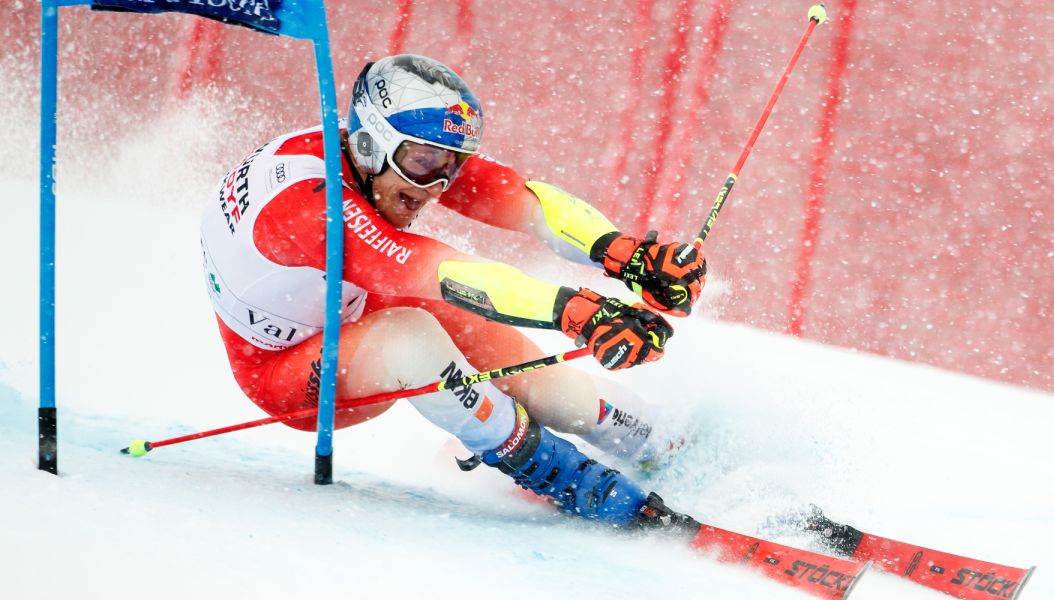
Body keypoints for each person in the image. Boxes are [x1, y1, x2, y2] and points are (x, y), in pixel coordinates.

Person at [200, 54, 707, 527]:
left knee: (523, 368)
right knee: (413, 335)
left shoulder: (391, 157)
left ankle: (659, 440)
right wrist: (575, 311)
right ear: (369, 141)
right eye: (425, 163)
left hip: (355, 303)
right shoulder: (311, 206)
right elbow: (443, 272)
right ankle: (558, 472)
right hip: (291, 376)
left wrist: (624, 253)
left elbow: (522, 200)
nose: (435, 185)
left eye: (451, 166)